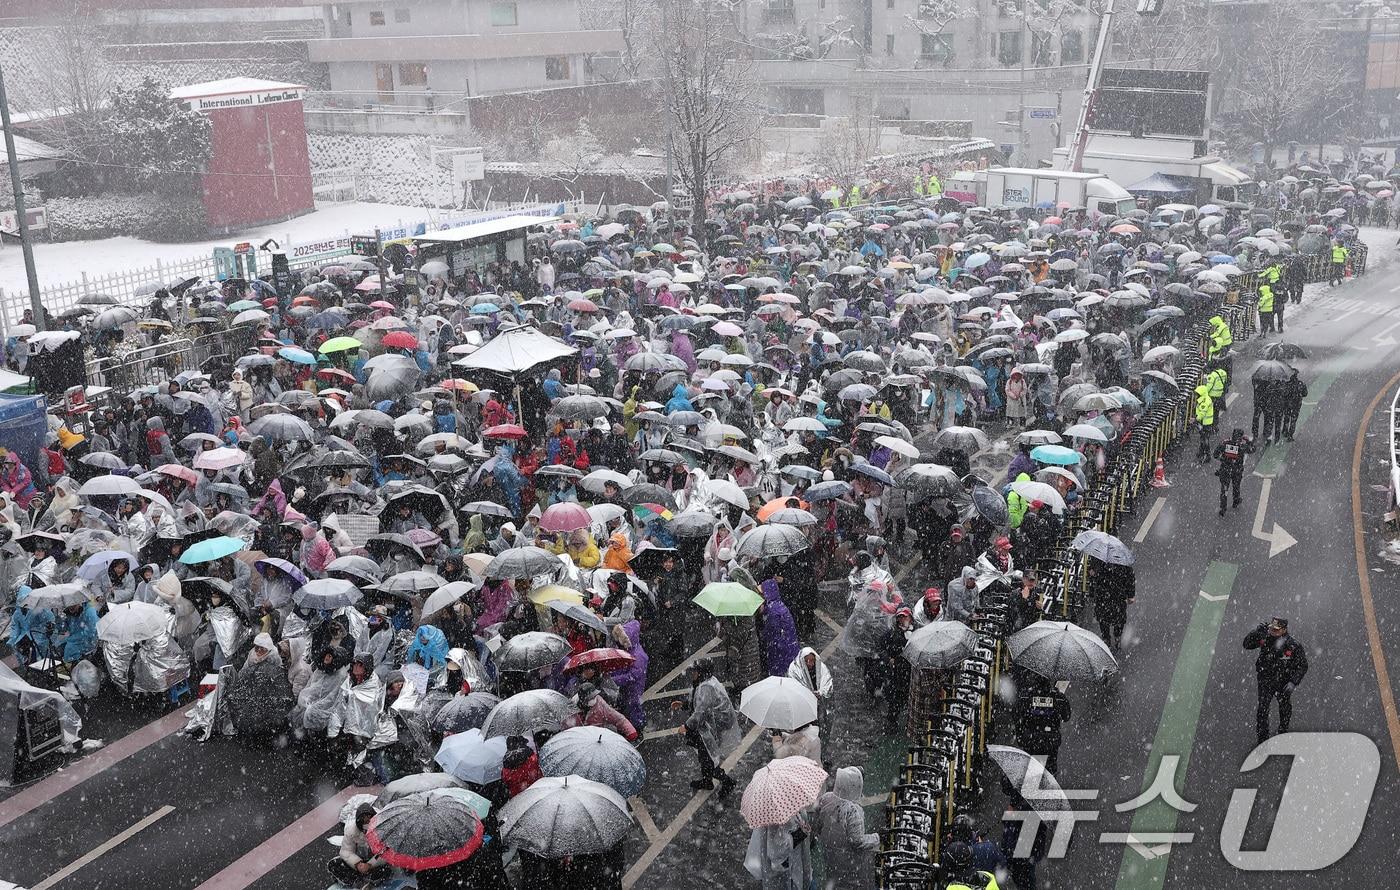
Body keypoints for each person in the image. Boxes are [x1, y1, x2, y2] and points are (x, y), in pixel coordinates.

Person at [1244, 617, 1308, 743]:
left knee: (1285, 708)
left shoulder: (1293, 645)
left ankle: (1283, 731)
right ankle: (1262, 739)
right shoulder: (1264, 639)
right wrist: (1255, 633)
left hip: (1283, 683)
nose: (1272, 631)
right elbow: (1246, 644)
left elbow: (1303, 665)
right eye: (1271, 629)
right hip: (1265, 680)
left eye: (1276, 630)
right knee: (1262, 710)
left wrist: (1293, 682)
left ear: (1284, 630)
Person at [814, 766, 879, 889]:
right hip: (849, 861)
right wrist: (876, 838)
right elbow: (857, 841)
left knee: (834, 881)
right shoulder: (853, 810)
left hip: (830, 855)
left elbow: (818, 825)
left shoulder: (826, 798)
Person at [679, 657, 738, 794]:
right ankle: (707, 780)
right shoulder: (704, 683)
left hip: (709, 729)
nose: (692, 674)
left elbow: (701, 712)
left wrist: (687, 726)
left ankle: (727, 781)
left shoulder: (706, 688)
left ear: (701, 673)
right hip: (706, 728)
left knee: (708, 758)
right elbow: (697, 703)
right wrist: (684, 704)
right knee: (704, 756)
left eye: (695, 671)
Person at [1012, 676, 1071, 775]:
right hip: (1050, 741)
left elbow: (1016, 714)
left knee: (1030, 769)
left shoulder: (1026, 696)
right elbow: (1066, 716)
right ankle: (1047, 785)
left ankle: (1031, 785)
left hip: (1031, 739)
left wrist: (1021, 732)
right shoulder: (1058, 697)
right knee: (1049, 771)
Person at [327, 803, 392, 887]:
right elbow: (346, 851)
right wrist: (358, 864)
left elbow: (386, 852)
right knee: (334, 864)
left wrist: (370, 865)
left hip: (375, 864)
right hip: (359, 863)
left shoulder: (383, 829)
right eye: (364, 821)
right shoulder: (351, 831)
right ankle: (361, 883)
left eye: (369, 819)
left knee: (385, 870)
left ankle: (369, 881)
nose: (367, 823)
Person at [1088, 557, 1135, 652]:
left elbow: (1093, 575)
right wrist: (1130, 595)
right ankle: (1117, 637)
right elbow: (1130, 578)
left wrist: (1092, 591)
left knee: (1103, 617)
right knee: (1119, 617)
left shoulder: (1098, 558)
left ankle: (1106, 639)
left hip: (1103, 593)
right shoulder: (1123, 561)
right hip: (1118, 594)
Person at [563, 681, 638, 741]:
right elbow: (567, 727)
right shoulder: (572, 707)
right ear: (583, 700)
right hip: (579, 740)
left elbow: (618, 718)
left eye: (594, 697)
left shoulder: (600, 704)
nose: (594, 700)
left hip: (597, 737)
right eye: (591, 698)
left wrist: (630, 732)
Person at [1213, 427, 1254, 517]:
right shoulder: (1242, 446)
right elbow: (1252, 449)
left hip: (1225, 470)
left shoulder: (1225, 443)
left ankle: (1223, 508)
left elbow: (1215, 454)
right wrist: (1249, 441)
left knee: (1224, 489)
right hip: (1237, 470)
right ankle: (1236, 501)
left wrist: (1223, 460)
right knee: (1236, 486)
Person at [1280, 368, 1307, 440]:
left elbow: (1283, 393)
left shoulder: (1286, 384)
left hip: (1287, 404)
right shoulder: (1301, 384)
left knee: (1286, 417)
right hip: (1297, 404)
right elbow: (1305, 394)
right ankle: (1290, 434)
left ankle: (1285, 430)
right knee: (1293, 420)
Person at [1194, 381, 1215, 463]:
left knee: (1205, 440)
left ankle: (1207, 455)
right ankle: (1201, 452)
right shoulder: (1204, 399)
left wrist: (1195, 419)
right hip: (1205, 423)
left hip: (1206, 423)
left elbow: (1202, 413)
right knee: (1203, 438)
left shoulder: (1205, 402)